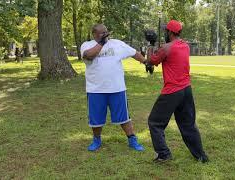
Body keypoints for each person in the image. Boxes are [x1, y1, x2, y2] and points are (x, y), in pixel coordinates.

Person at [146, 20, 209, 163]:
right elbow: (166, 56)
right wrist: (159, 48)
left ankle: (163, 154)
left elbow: (151, 61)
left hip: (172, 91)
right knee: (188, 124)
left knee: (155, 122)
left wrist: (150, 44)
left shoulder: (166, 48)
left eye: (166, 31)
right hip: (186, 90)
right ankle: (201, 156)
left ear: (169, 32)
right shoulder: (185, 46)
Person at [80, 24, 146, 152]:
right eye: (101, 33)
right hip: (96, 90)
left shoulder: (117, 44)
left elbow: (134, 53)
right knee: (96, 119)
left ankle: (132, 139)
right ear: (94, 34)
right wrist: (101, 43)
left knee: (124, 117)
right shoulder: (87, 45)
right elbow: (88, 56)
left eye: (106, 32)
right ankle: (97, 139)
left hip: (117, 88)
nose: (105, 35)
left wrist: (145, 62)